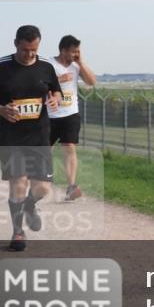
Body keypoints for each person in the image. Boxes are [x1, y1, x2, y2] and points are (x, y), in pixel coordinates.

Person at [0, 25, 63, 252]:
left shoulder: (46, 67)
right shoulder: (0, 67)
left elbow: (56, 91)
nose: (29, 54)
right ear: (16, 43)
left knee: (43, 188)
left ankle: (29, 205)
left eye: (34, 49)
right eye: (25, 49)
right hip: (11, 137)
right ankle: (17, 232)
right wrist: (0, 109)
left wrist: (55, 99)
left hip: (39, 136)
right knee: (18, 183)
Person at [48, 35, 97, 201]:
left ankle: (71, 187)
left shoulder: (76, 66)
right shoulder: (49, 64)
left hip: (70, 114)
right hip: (50, 115)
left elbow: (91, 82)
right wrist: (59, 80)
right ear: (63, 50)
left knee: (69, 148)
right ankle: (43, 181)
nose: (75, 54)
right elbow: (38, 84)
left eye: (78, 51)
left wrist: (81, 62)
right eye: (73, 52)